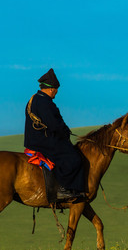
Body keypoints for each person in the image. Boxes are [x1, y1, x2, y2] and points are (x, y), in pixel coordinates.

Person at [24, 68, 86, 201]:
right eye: (56, 90)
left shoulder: (33, 99)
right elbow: (54, 125)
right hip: (43, 141)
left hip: (33, 140)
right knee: (74, 158)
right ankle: (63, 189)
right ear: (52, 89)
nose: (56, 93)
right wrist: (65, 132)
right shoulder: (45, 102)